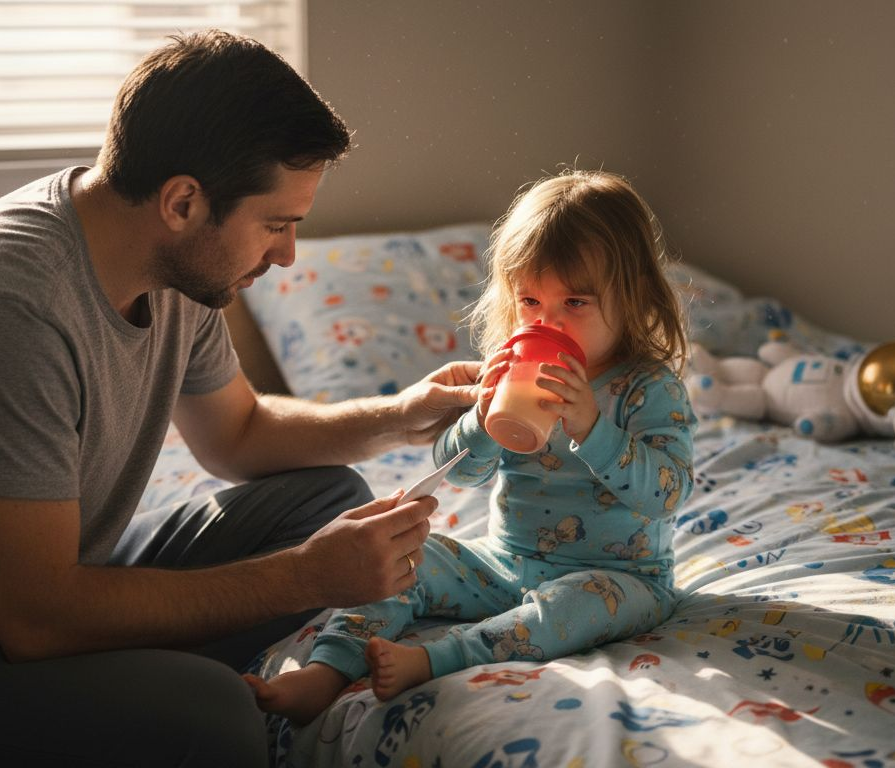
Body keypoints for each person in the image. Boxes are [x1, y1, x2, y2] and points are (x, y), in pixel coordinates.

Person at [0, 30, 479, 767]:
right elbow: (37, 619)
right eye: (276, 225)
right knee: (212, 719)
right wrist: (305, 575)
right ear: (182, 202)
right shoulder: (2, 305)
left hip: (43, 588)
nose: (285, 255)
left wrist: (402, 415)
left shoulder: (174, 271)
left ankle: (136, 689)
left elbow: (238, 434)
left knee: (326, 499)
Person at [245, 169, 696, 725]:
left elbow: (666, 494)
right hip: (505, 561)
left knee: (575, 605)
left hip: (621, 577)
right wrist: (482, 420)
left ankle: (436, 658)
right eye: (530, 300)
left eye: (575, 302)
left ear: (632, 298)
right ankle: (326, 670)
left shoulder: (649, 388)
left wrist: (590, 428)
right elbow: (459, 475)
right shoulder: (511, 376)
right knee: (405, 560)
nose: (546, 321)